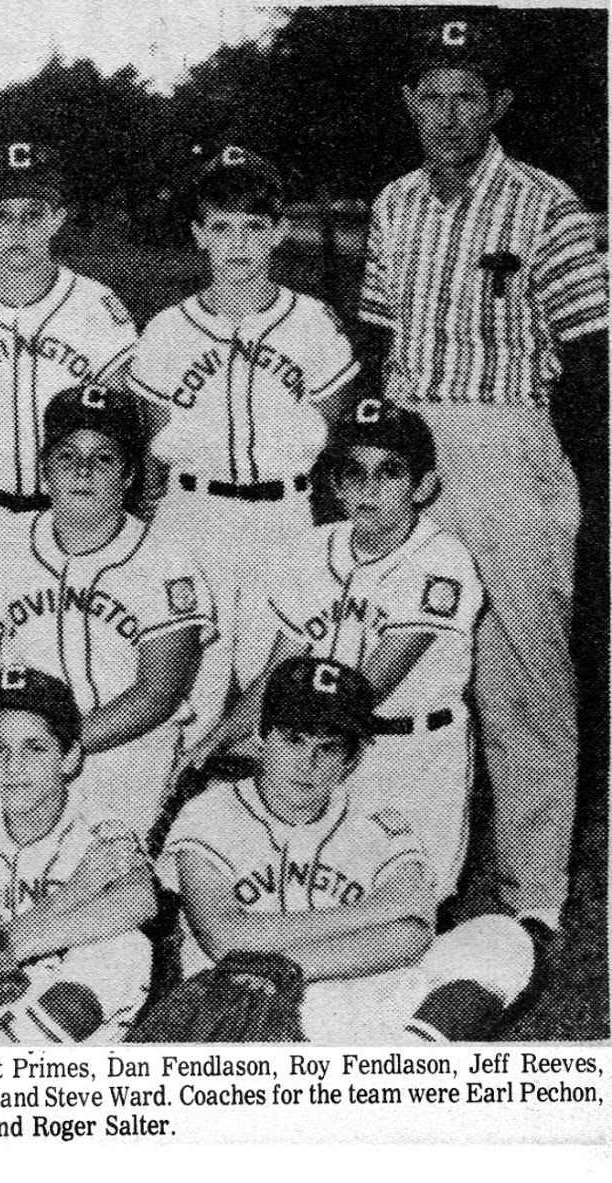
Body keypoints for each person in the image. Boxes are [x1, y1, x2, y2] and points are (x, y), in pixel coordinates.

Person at [356, 19, 608, 937]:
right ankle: (404, 876)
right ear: (411, 104)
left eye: (470, 95)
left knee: (520, 672)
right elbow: (377, 338)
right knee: (406, 664)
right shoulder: (393, 203)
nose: (451, 113)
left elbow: (590, 357)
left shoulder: (547, 204)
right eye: (434, 94)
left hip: (505, 443)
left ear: (499, 105)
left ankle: (533, 894)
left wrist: (581, 481)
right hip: (407, 446)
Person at [175, 394, 482, 900]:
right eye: (354, 474)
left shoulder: (442, 559)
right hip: (328, 749)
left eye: (390, 473)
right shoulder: (312, 549)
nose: (370, 489)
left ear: (423, 486)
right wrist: (212, 741)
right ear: (336, 486)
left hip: (412, 755)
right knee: (323, 897)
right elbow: (282, 675)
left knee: (411, 907)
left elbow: (365, 689)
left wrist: (265, 749)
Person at [160, 655, 537, 1043]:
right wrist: (376, 911)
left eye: (329, 748)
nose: (307, 763)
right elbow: (226, 940)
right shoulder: (209, 813)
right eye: (294, 740)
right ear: (261, 740)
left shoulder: (377, 818)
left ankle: (407, 1057)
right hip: (246, 1005)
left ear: (352, 760)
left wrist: (272, 953)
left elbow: (414, 934)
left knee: (501, 936)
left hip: (353, 994)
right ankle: (398, 1065)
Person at [127, 146, 358, 716]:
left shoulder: (310, 323)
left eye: (254, 228)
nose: (238, 245)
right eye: (221, 228)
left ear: (279, 231)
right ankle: (174, 798)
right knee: (187, 687)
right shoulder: (168, 330)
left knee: (275, 685)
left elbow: (335, 435)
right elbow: (156, 438)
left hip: (284, 517)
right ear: (199, 234)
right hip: (191, 513)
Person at [0, 383, 212, 841]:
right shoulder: (6, 543)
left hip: (126, 755)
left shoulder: (166, 558)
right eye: (68, 456)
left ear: (128, 474)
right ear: (45, 468)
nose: (83, 471)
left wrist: (56, 750)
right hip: (20, 753)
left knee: (102, 888)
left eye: (103, 458)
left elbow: (157, 695)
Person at [0, 666, 156, 1044]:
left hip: (66, 1013)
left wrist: (5, 944)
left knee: (124, 950)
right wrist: (81, 887)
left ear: (69, 759)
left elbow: (140, 901)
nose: (14, 766)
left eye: (35, 748)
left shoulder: (100, 827)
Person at [0, 137, 138, 529]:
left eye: (33, 215)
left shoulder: (95, 306)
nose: (17, 231)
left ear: (57, 218)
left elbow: (122, 425)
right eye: (2, 215)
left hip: (70, 515)